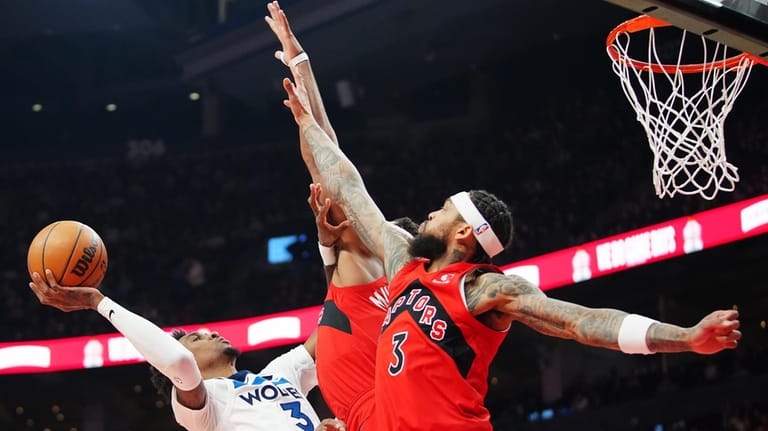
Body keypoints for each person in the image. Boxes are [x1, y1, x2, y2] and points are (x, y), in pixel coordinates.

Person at [281, 60, 742, 430]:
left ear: (463, 233)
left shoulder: (485, 290)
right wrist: (306, 120)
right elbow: (347, 185)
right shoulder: (405, 264)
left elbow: (580, 323)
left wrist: (684, 338)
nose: (428, 215)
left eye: (442, 209)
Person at [264, 3, 416, 430]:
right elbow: (332, 160)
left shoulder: (367, 270)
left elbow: (328, 164)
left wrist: (301, 76)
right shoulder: (378, 285)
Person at [28, 269, 346, 431]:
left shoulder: (279, 373)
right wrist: (99, 302)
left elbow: (334, 326)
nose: (210, 332)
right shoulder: (201, 410)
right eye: (197, 338)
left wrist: (329, 250)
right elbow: (178, 360)